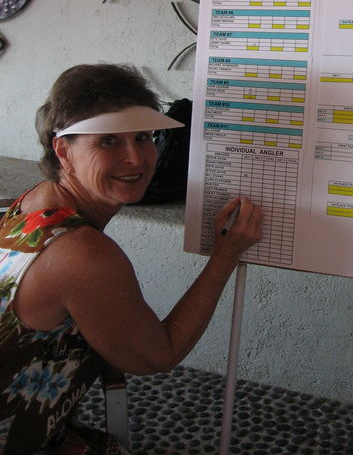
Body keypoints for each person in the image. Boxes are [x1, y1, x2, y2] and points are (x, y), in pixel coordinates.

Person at [0, 63, 262, 454]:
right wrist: (225, 255)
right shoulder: (82, 254)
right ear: (64, 151)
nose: (137, 159)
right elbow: (157, 356)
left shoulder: (36, 200)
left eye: (143, 137)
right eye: (108, 141)